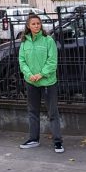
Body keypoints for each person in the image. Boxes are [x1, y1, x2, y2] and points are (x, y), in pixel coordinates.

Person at [18, 13, 64, 153]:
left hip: (48, 82)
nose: (36, 26)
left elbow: (52, 61)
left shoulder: (48, 40)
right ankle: (33, 139)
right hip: (31, 82)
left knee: (52, 112)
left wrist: (41, 74)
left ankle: (58, 142)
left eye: (38, 23)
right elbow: (22, 61)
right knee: (33, 111)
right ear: (28, 26)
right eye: (33, 24)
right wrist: (29, 74)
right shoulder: (24, 42)